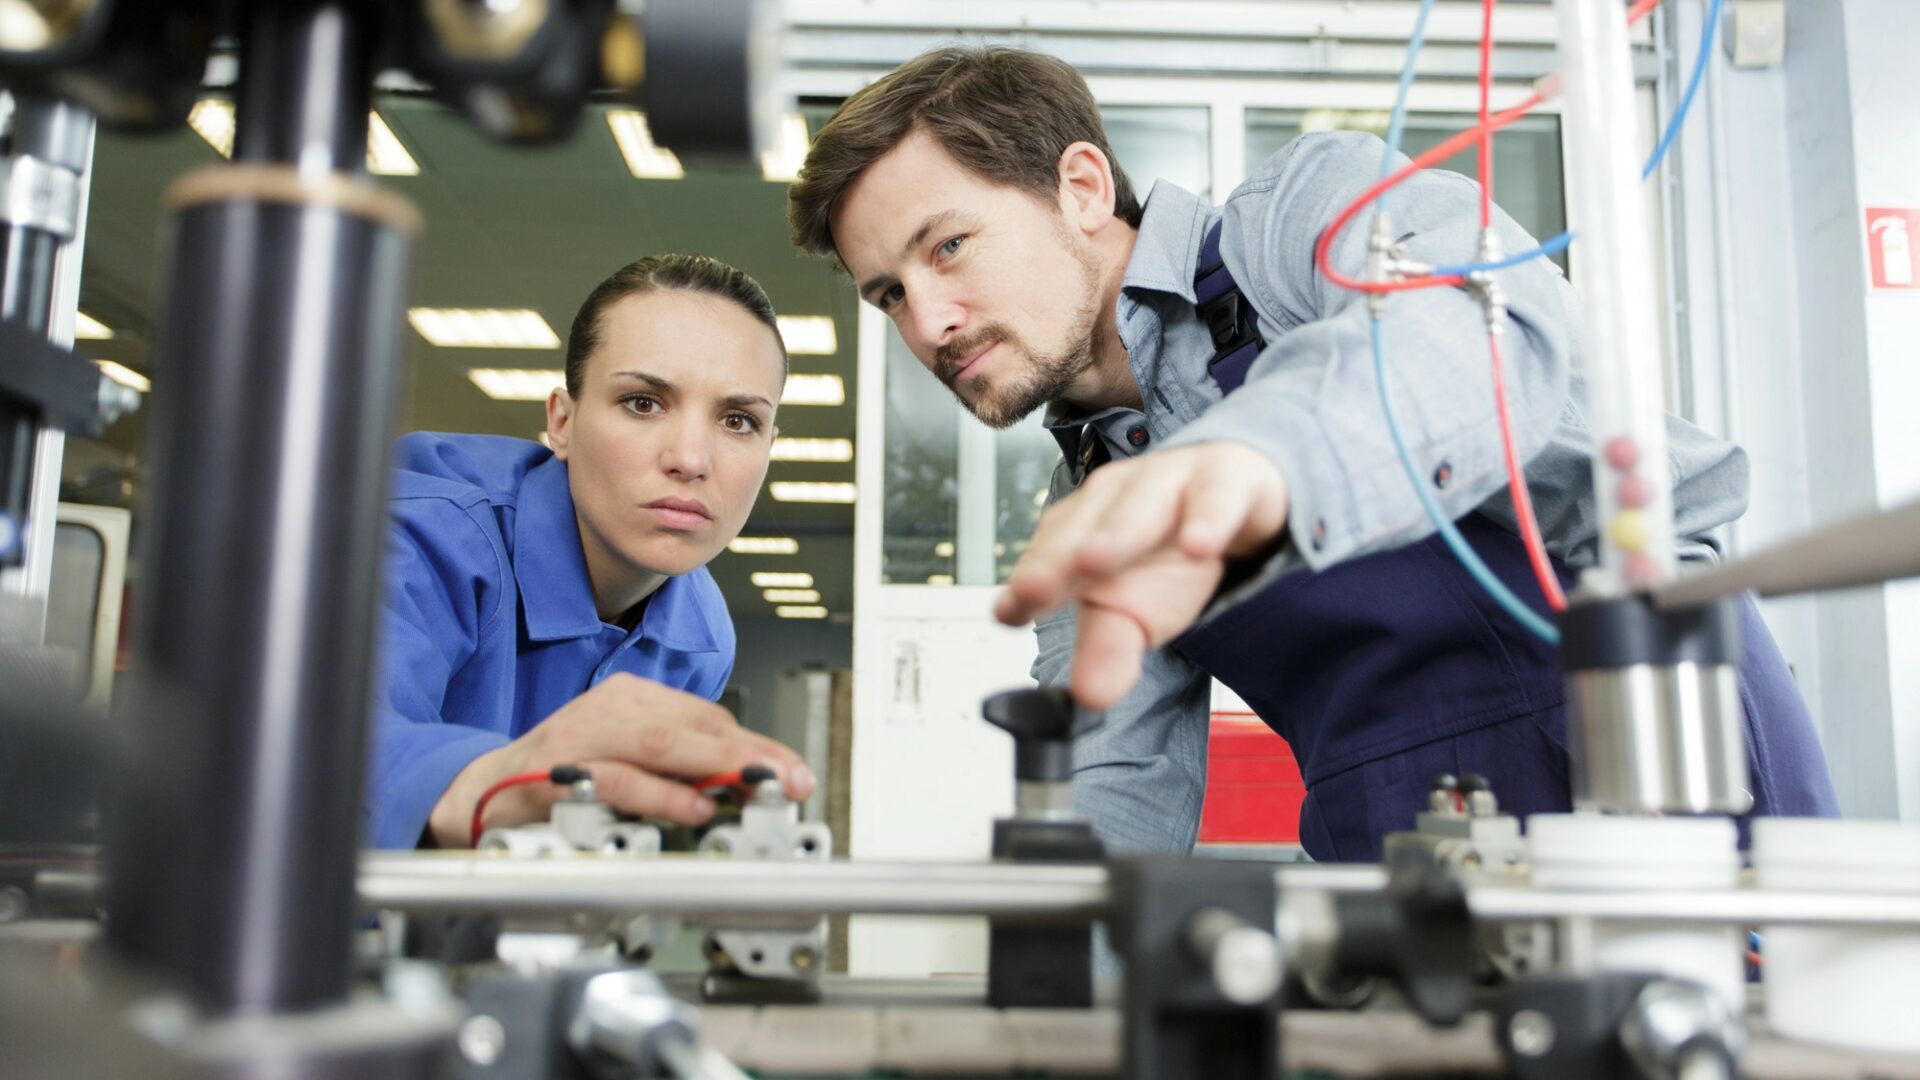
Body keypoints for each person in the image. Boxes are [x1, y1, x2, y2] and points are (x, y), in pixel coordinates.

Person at [787, 46, 1838, 861]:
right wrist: (1049, 991)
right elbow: (1116, 785)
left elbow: (1477, 342)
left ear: (1082, 187)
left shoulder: (1306, 224)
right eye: (889, 295)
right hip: (1397, 846)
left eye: (949, 247)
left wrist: (1259, 462)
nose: (928, 320)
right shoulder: (1103, 500)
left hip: (1657, 755)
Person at [365, 254, 814, 850]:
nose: (691, 459)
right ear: (562, 422)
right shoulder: (423, 537)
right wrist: (487, 786)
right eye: (643, 403)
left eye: (738, 421)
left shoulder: (701, 639)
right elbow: (307, 742)